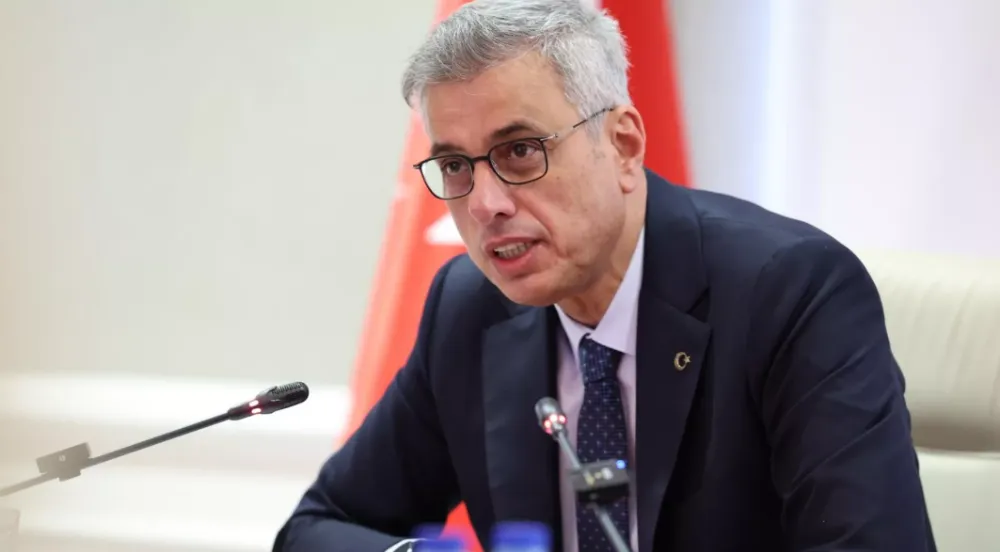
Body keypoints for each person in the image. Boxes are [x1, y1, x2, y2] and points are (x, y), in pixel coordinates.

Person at [273, 0, 937, 550]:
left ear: (622, 145)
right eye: (455, 166)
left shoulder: (790, 293)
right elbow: (316, 529)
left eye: (520, 150)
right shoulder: (469, 309)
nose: (484, 204)